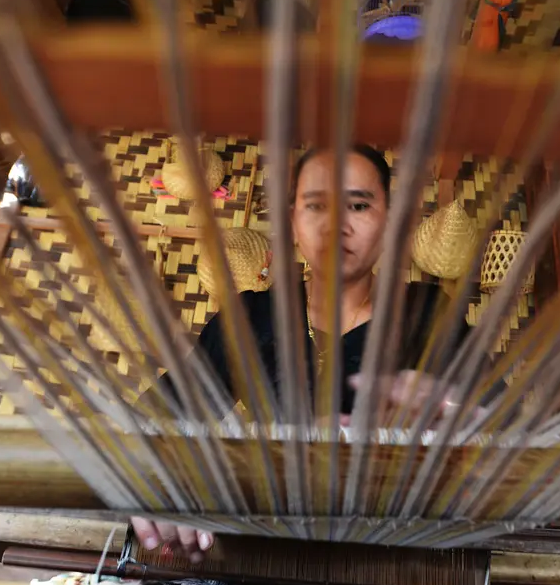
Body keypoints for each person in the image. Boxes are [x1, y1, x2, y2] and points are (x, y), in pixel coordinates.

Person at [130, 144, 471, 562]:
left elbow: (500, 423)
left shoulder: (429, 316)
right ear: (293, 221)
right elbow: (156, 421)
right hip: (275, 548)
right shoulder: (252, 318)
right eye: (315, 206)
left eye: (359, 206)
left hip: (395, 555)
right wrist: (163, 478)